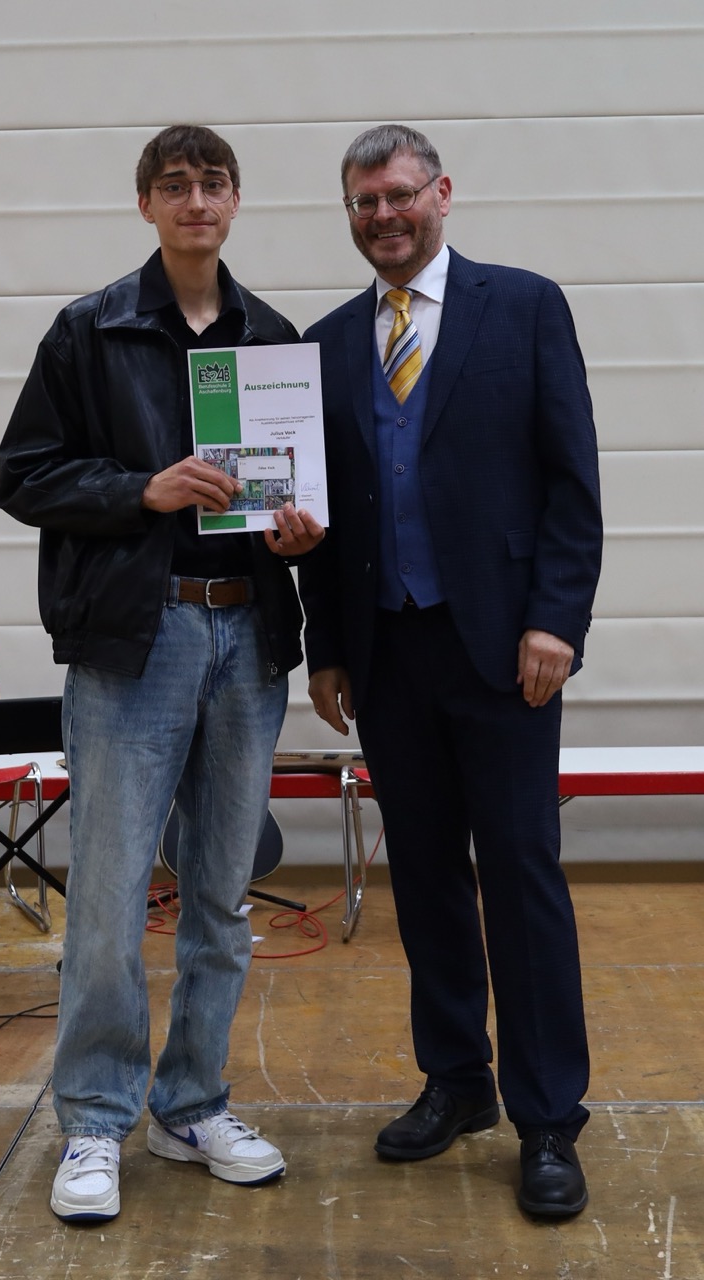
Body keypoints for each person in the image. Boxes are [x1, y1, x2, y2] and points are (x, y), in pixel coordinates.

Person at [0, 124, 323, 1223]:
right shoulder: (89, 330)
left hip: (247, 639)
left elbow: (297, 496)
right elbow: (25, 475)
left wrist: (297, 533)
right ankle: (95, 1117)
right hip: (138, 641)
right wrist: (140, 489)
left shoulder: (271, 338)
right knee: (109, 895)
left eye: (212, 183)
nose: (195, 201)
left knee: (222, 895)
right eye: (174, 185)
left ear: (235, 201)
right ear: (145, 203)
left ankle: (191, 1105)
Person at [298, 124, 602, 1217]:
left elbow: (571, 479)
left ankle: (548, 1116)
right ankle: (457, 1080)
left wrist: (555, 619)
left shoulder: (523, 307)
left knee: (520, 875)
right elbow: (317, 515)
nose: (382, 215)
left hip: (507, 650)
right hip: (387, 653)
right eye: (363, 202)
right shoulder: (328, 343)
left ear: (441, 194)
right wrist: (326, 643)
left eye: (398, 194)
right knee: (424, 876)